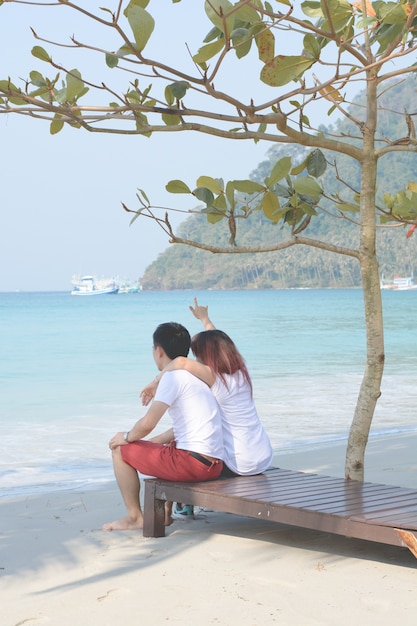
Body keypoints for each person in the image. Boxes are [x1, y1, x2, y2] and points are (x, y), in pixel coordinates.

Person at [103, 321, 224, 531]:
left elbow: (148, 423)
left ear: (159, 351)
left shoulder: (172, 378)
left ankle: (134, 517)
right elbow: (184, 428)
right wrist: (146, 443)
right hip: (213, 465)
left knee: (119, 449)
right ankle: (166, 514)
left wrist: (126, 437)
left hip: (192, 465)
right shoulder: (196, 378)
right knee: (164, 446)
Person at [140, 299, 273, 480]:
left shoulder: (214, 378)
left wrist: (155, 381)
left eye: (199, 355)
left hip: (239, 463)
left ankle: (182, 501)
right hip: (263, 456)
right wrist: (205, 319)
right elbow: (218, 343)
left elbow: (180, 362)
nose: (198, 360)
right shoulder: (241, 372)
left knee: (191, 445)